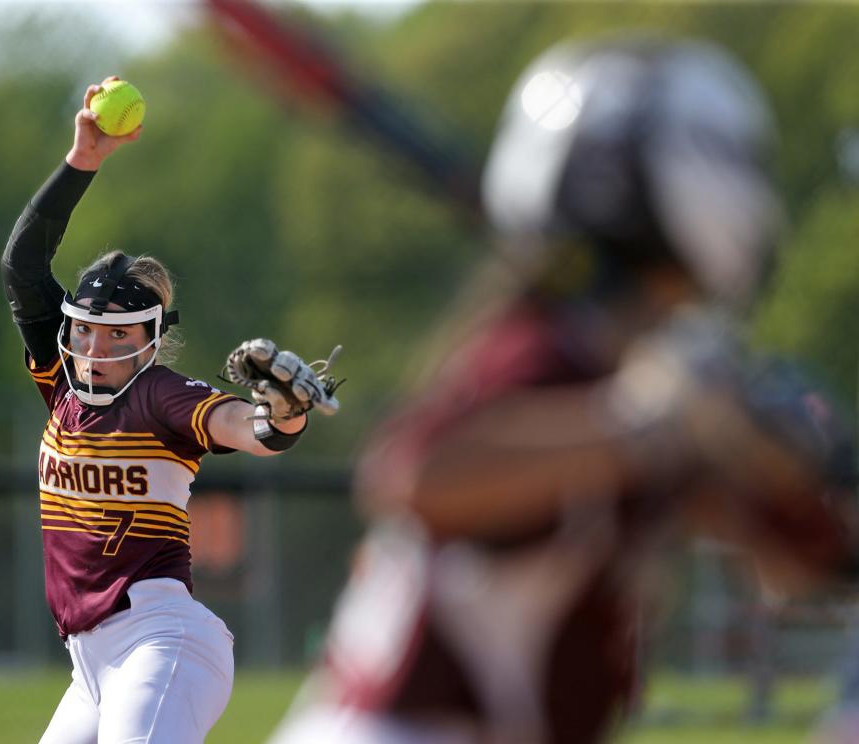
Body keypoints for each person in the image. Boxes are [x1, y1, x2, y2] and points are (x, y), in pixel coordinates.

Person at [265, 35, 859, 744]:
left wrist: (778, 450)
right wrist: (644, 423)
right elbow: (415, 473)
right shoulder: (548, 350)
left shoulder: (668, 370)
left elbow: (813, 561)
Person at [0, 76, 341, 744]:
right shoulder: (62, 385)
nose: (96, 346)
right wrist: (84, 160)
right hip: (89, 665)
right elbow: (23, 268)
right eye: (86, 329)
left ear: (151, 340)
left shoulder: (159, 396)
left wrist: (286, 410)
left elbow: (253, 429)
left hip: (163, 644)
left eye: (118, 333)